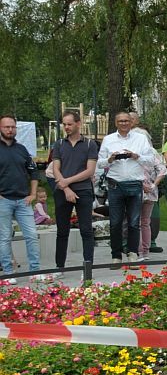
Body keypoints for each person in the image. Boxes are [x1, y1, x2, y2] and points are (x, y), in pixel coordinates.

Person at [97, 111, 157, 260]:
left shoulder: (141, 138)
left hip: (134, 184)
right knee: (115, 222)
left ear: (131, 122)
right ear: (116, 123)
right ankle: (116, 255)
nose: (124, 123)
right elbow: (99, 163)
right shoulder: (108, 139)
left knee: (134, 222)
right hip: (115, 184)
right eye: (120, 121)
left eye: (126, 121)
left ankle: (133, 253)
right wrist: (110, 159)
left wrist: (136, 156)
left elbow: (150, 160)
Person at [48, 110, 98, 268]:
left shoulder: (90, 144)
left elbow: (90, 170)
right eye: (64, 124)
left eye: (70, 124)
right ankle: (59, 266)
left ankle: (88, 267)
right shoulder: (59, 144)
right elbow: (56, 168)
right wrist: (66, 188)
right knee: (62, 231)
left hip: (83, 190)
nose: (67, 127)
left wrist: (67, 181)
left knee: (86, 230)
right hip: (62, 191)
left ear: (78, 123)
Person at [0, 115, 40, 274]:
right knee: (4, 238)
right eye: (6, 127)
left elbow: (34, 172)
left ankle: (35, 272)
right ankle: (8, 273)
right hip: (4, 201)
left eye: (13, 127)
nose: (10, 130)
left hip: (24, 200)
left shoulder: (22, 149)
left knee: (31, 235)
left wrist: (33, 194)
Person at [139, 148, 165, 259]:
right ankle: (145, 251)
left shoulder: (134, 153)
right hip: (151, 191)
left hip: (136, 191)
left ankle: (139, 251)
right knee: (145, 222)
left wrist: (144, 185)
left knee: (137, 223)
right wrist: (154, 185)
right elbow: (162, 171)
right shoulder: (153, 153)